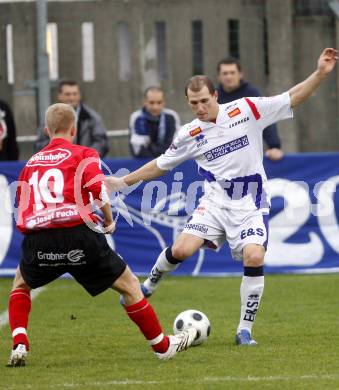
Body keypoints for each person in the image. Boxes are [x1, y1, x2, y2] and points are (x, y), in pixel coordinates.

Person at [107, 48, 338, 345]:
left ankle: (244, 330)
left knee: (254, 255)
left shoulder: (246, 110)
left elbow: (290, 97)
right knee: (180, 251)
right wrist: (123, 181)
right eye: (193, 104)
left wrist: (320, 73)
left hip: (251, 203)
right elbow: (159, 165)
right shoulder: (189, 134)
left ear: (216, 95)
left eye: (204, 100)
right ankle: (150, 283)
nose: (200, 108)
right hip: (215, 203)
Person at [6, 103, 196, 367]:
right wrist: (108, 220)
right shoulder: (83, 153)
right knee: (130, 285)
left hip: (39, 237)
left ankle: (19, 343)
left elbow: (22, 204)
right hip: (77, 234)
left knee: (20, 285)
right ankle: (163, 346)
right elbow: (98, 189)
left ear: (47, 130)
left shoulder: (31, 163)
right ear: (73, 129)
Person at [217, 58, 283, 161]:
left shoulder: (251, 93)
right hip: (221, 153)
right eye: (225, 73)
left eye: (232, 73)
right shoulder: (213, 97)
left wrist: (274, 146)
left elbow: (266, 118)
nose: (229, 77)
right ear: (219, 77)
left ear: (240, 74)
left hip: (248, 153)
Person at [35, 80, 109, 157]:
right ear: (59, 96)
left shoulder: (92, 117)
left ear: (79, 95)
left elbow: (101, 142)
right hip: (58, 164)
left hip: (84, 164)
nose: (71, 98)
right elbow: (40, 144)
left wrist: (86, 156)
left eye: (75, 94)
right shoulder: (49, 117)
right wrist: (57, 155)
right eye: (67, 94)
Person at [129, 87, 180, 157]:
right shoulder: (137, 117)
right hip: (144, 162)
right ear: (144, 102)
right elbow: (137, 149)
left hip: (167, 160)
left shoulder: (172, 116)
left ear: (164, 102)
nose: (155, 107)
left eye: (159, 102)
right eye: (151, 102)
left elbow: (175, 144)